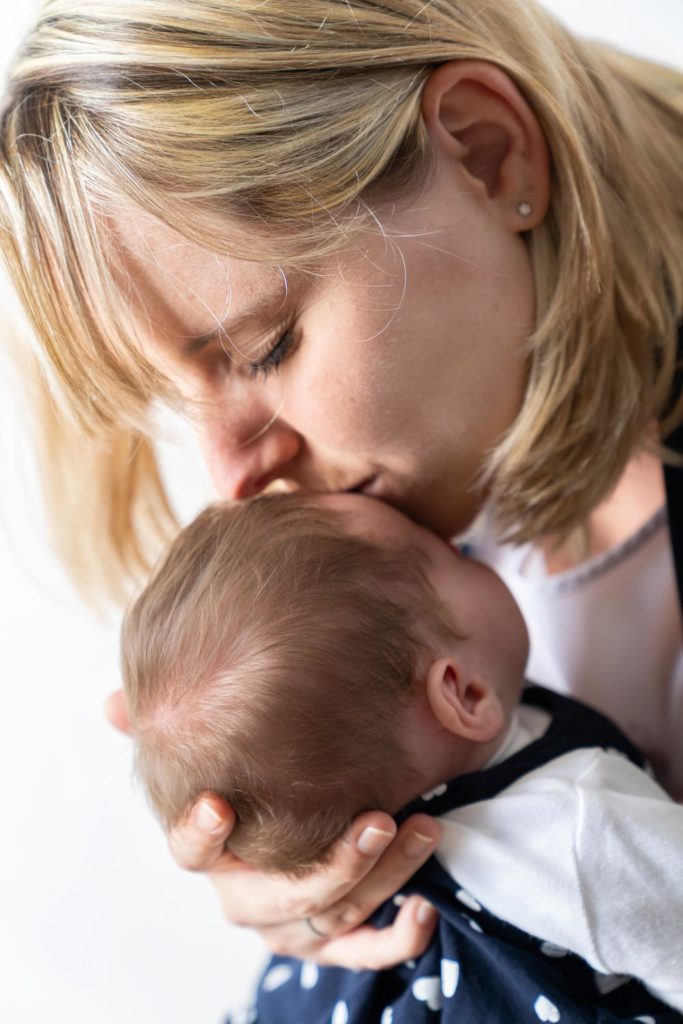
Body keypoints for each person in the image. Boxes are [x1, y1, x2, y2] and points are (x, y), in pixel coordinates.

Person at [0, 0, 681, 972]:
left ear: (489, 155)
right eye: (172, 400)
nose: (231, 475)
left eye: (266, 346)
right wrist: (315, 842)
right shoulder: (405, 541)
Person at [121, 490, 683, 1021]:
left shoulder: (353, 868)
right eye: (440, 549)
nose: (460, 542)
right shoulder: (579, 829)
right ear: (464, 694)